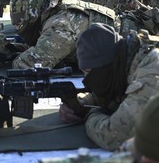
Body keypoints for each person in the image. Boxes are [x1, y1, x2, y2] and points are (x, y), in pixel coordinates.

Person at [59, 23, 159, 151]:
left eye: (88, 71)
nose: (87, 80)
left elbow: (113, 136)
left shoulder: (151, 72)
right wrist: (82, 103)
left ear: (105, 65)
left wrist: (89, 115)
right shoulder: (125, 61)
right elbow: (115, 90)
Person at [0, 0, 116, 69]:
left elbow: (33, 63)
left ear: (32, 16)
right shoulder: (54, 10)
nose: (19, 27)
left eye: (20, 22)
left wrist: (15, 59)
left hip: (126, 57)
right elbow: (45, 45)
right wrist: (14, 49)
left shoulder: (59, 24)